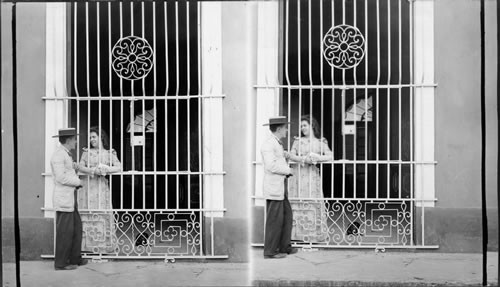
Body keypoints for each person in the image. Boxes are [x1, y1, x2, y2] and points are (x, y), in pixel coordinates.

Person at [286, 115, 333, 243]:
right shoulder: (297, 141)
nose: (302, 128)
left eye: (304, 125)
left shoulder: (320, 142)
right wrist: (303, 159)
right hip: (298, 176)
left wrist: (317, 157)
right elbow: (290, 156)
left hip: (312, 176)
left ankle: (313, 233)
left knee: (312, 201)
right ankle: (296, 235)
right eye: (301, 126)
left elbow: (330, 156)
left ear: (312, 125)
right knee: (298, 201)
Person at [76, 127, 121, 253]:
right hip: (88, 187)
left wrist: (105, 169)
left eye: (94, 137)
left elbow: (119, 167)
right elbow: (80, 167)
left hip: (101, 187)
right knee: (88, 212)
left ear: (101, 136)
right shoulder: (86, 152)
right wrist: (92, 170)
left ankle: (102, 245)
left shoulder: (109, 153)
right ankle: (87, 246)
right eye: (90, 137)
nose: (91, 140)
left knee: (101, 212)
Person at [261, 116, 298, 259]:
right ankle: (270, 251)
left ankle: (284, 247)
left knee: (286, 216)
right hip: (274, 188)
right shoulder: (268, 144)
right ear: (279, 129)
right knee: (274, 220)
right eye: (285, 127)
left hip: (280, 186)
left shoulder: (276, 143)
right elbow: (270, 166)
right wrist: (288, 170)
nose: (287, 130)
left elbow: (278, 159)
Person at [51, 128, 88, 270]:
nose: (76, 141)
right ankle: (60, 264)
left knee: (76, 228)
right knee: (65, 232)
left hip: (70, 197)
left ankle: (75, 258)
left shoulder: (66, 154)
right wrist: (78, 182)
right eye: (74, 139)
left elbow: (69, 171)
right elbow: (60, 178)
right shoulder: (58, 156)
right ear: (68, 140)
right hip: (64, 199)